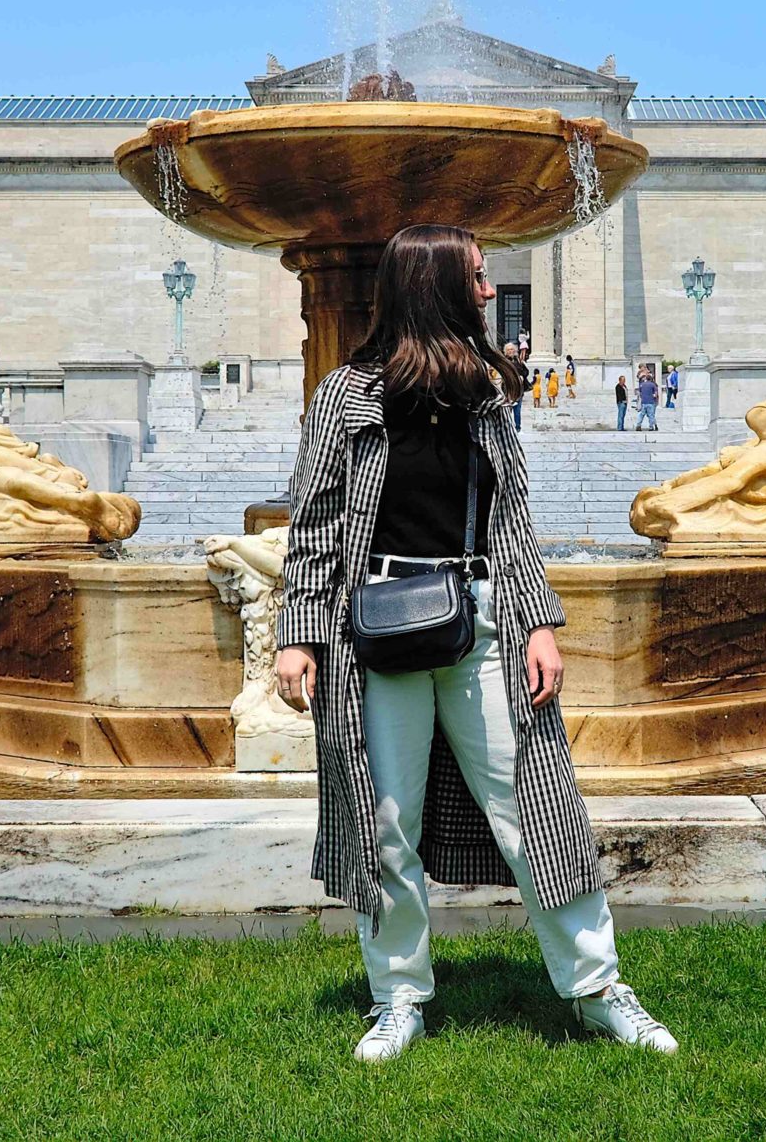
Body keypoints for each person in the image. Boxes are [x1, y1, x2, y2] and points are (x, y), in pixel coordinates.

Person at [272, 223, 676, 1063]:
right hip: (375, 626)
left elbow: (512, 521)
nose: (492, 291)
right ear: (439, 289)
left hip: (481, 616)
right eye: (480, 278)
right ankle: (399, 997)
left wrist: (535, 621)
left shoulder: (484, 393)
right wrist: (299, 638)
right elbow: (311, 525)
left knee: (535, 808)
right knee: (387, 822)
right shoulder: (347, 396)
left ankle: (599, 989)